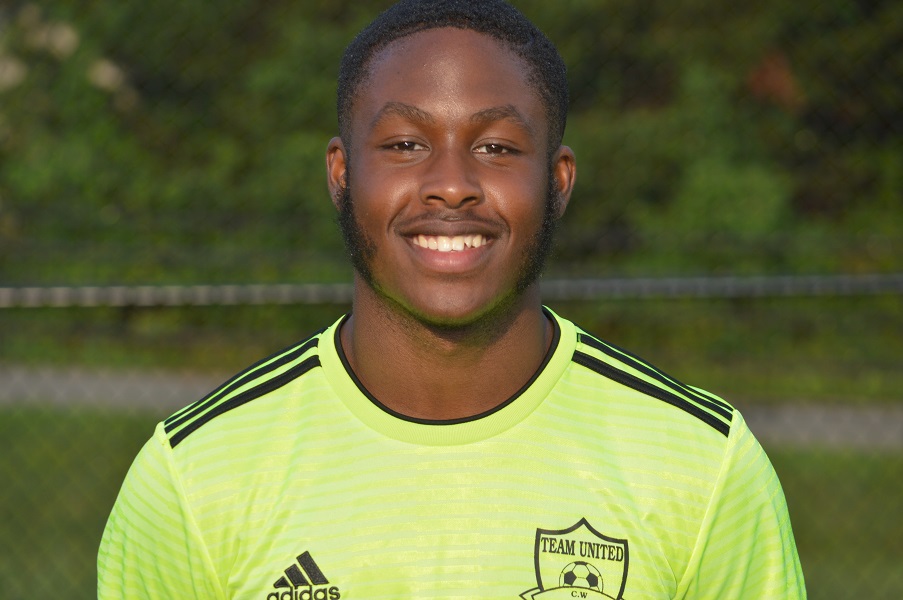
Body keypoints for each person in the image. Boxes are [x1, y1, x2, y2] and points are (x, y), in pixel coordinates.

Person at [97, 1, 806, 598]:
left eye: (496, 148)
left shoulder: (701, 467)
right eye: (405, 144)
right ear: (341, 174)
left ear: (557, 181)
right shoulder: (194, 478)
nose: (451, 184)